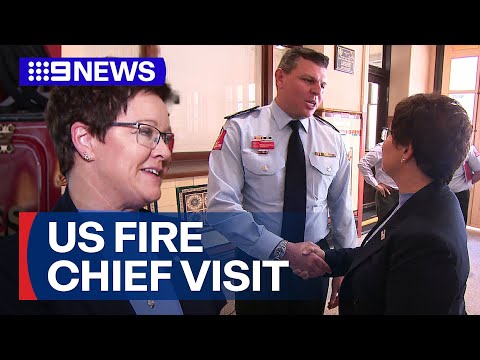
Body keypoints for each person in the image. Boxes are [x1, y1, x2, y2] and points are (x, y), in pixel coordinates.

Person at [0, 85, 226, 315]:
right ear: (85, 139)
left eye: (165, 138)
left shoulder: (181, 239)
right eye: (146, 132)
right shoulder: (17, 267)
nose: (165, 152)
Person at [207, 47, 356, 315]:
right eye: (308, 80)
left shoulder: (331, 138)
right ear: (280, 78)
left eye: (322, 84)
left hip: (314, 262)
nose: (317, 91)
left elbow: (342, 208)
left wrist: (344, 268)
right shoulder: (240, 129)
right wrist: (283, 250)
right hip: (259, 259)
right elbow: (222, 207)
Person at [298, 93, 472, 315]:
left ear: (407, 151)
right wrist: (326, 257)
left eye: (389, 134)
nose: (384, 143)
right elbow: (378, 255)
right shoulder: (422, 200)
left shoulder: (428, 242)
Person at [358, 138, 399, 221]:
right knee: (386, 226)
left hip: (403, 193)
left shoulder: (407, 148)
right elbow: (363, 164)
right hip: (387, 194)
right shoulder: (382, 148)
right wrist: (375, 184)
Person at [448, 143, 480, 224]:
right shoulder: (436, 147)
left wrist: (468, 183)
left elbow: (479, 170)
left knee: (459, 224)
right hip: (437, 192)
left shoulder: (468, 149)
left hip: (460, 194)